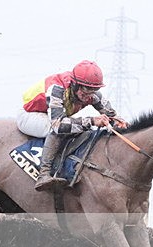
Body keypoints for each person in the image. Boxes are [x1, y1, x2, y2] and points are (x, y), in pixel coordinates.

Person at [16, 60, 128, 191]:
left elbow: (112, 115)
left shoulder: (91, 93)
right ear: (75, 85)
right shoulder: (57, 88)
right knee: (59, 130)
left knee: (82, 130)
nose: (89, 96)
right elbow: (58, 125)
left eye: (94, 90)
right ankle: (44, 174)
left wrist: (120, 123)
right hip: (30, 114)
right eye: (86, 91)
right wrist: (91, 121)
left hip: (52, 116)